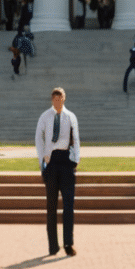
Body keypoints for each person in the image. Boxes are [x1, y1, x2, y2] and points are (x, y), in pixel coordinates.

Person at [36, 88, 83, 256]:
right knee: (51, 206)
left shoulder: (71, 117)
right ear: (51, 99)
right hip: (51, 161)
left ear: (64, 99)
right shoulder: (45, 117)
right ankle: (53, 245)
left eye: (60, 98)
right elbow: (38, 138)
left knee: (69, 205)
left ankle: (68, 243)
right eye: (55, 98)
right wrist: (43, 159)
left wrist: (75, 160)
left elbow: (76, 139)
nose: (57, 101)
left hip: (66, 161)